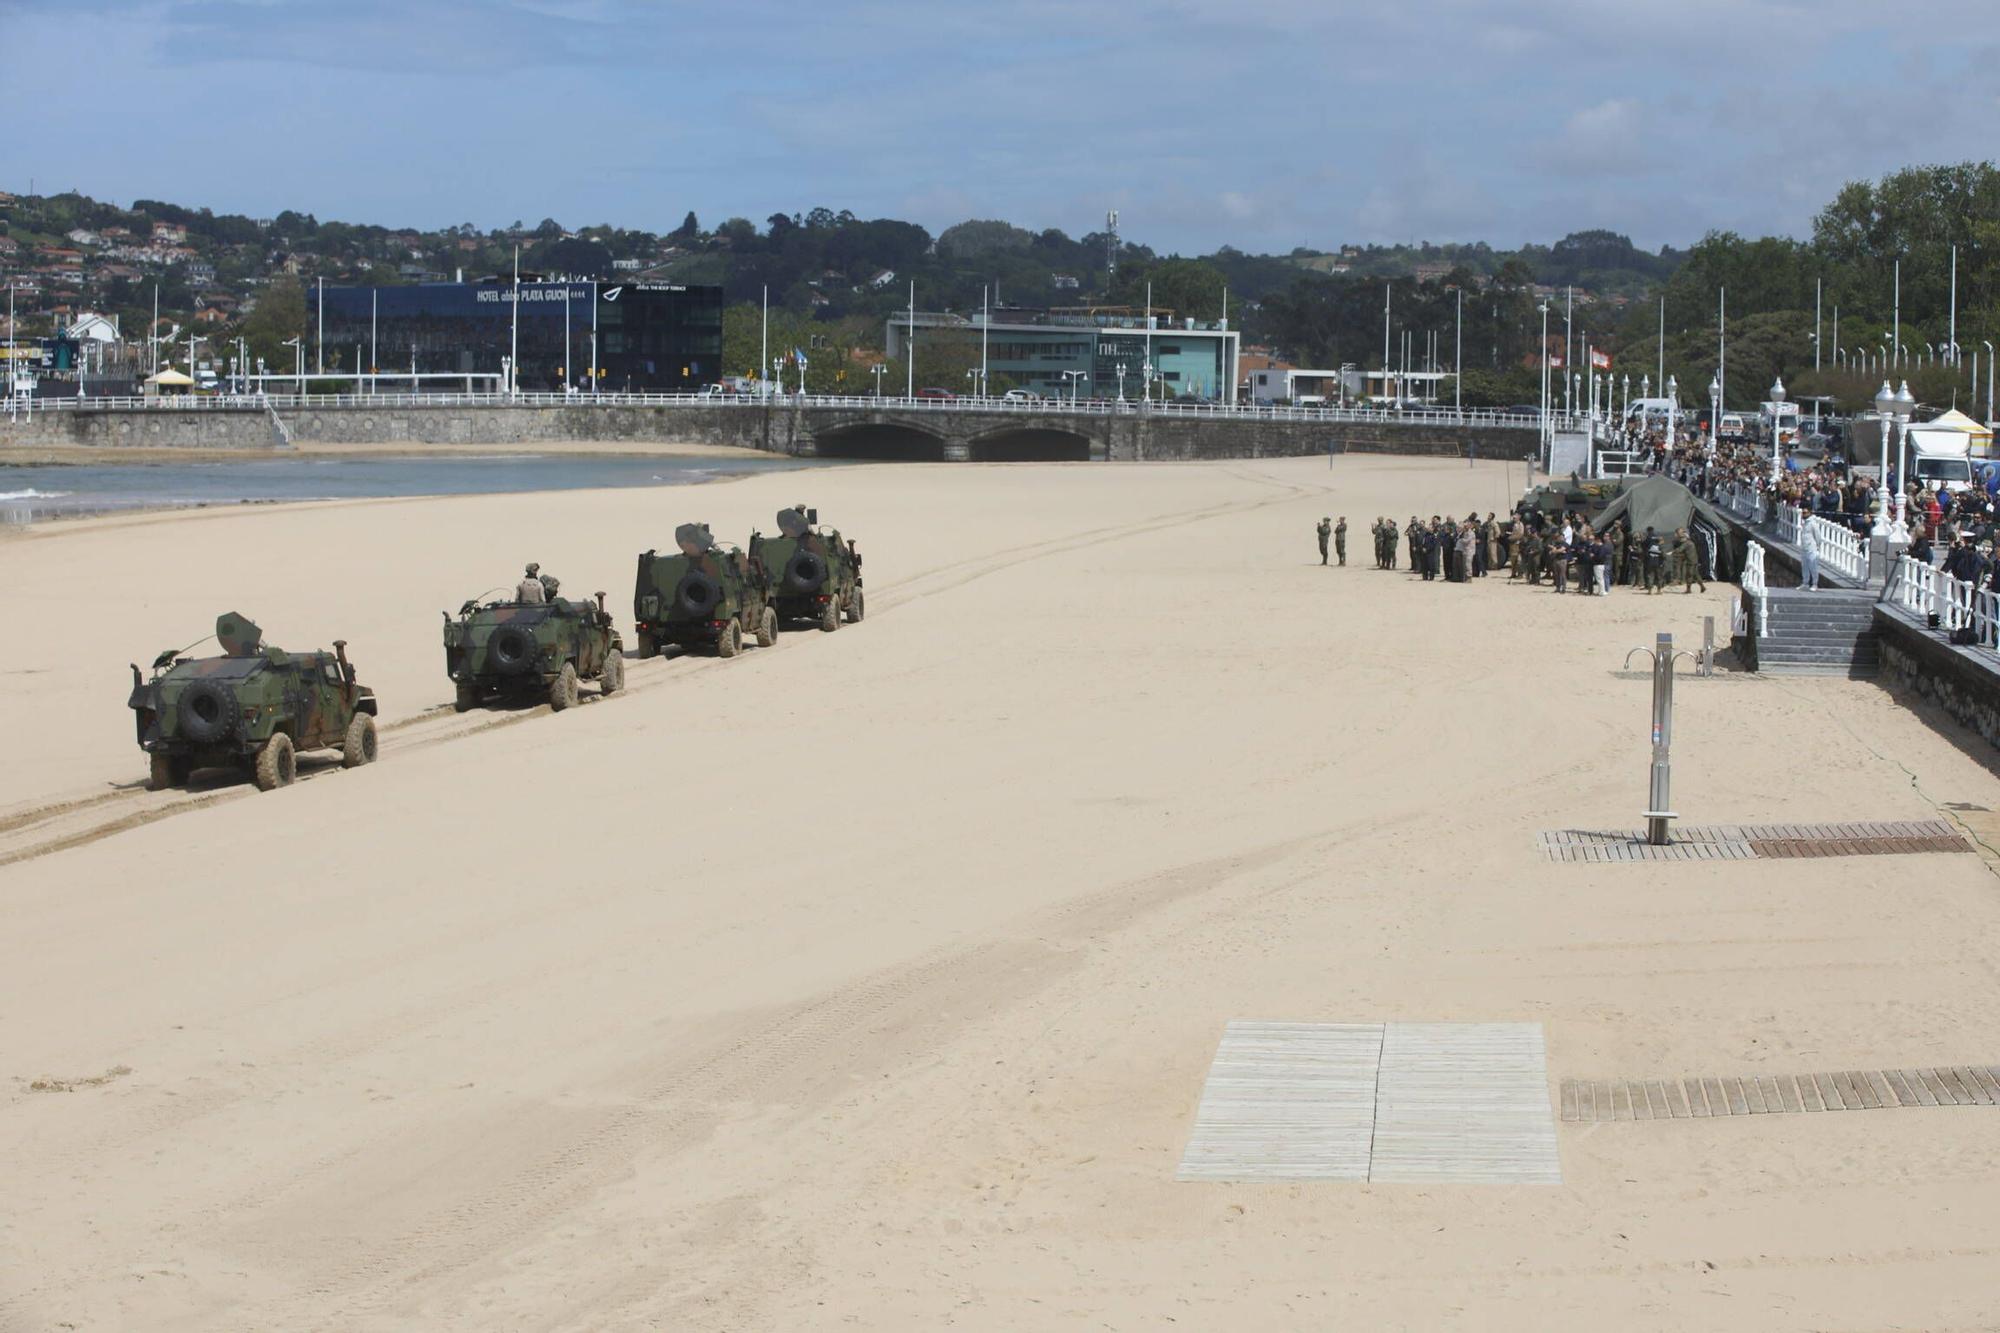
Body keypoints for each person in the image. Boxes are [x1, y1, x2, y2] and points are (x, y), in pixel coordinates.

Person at [1670, 528, 1706, 593]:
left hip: (1690, 561)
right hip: (1694, 560)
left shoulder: (1686, 543)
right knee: (1696, 575)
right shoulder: (1690, 543)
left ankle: (1688, 589)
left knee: (1689, 575)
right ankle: (1702, 587)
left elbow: (1680, 549)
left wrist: (1672, 552)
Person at [1798, 514, 1820, 590]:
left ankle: (1815, 584)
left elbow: (1818, 535)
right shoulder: (1805, 523)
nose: (1803, 513)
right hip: (1804, 547)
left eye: (1805, 511)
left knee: (1813, 566)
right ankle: (1805, 583)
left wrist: (1817, 545)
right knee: (1804, 566)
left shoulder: (1813, 523)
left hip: (1812, 547)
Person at [1642, 527, 1666, 594]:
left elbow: (1645, 552)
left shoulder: (1650, 548)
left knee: (1650, 575)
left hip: (1650, 563)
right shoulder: (1660, 547)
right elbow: (1663, 556)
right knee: (1659, 576)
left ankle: (1650, 590)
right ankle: (1659, 590)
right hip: (1658, 563)